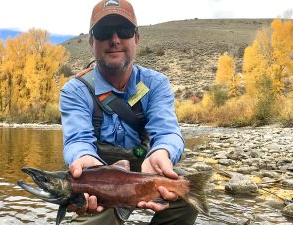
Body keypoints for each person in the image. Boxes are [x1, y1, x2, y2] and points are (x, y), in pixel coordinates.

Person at [59, 0, 198, 224]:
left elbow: (168, 132)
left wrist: (162, 152)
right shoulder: (75, 90)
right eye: (104, 32)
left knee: (185, 194)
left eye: (123, 31)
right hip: (98, 176)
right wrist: (84, 162)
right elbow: (77, 141)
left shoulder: (156, 84)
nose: (114, 40)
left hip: (144, 169)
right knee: (89, 217)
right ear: (91, 41)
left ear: (137, 38)